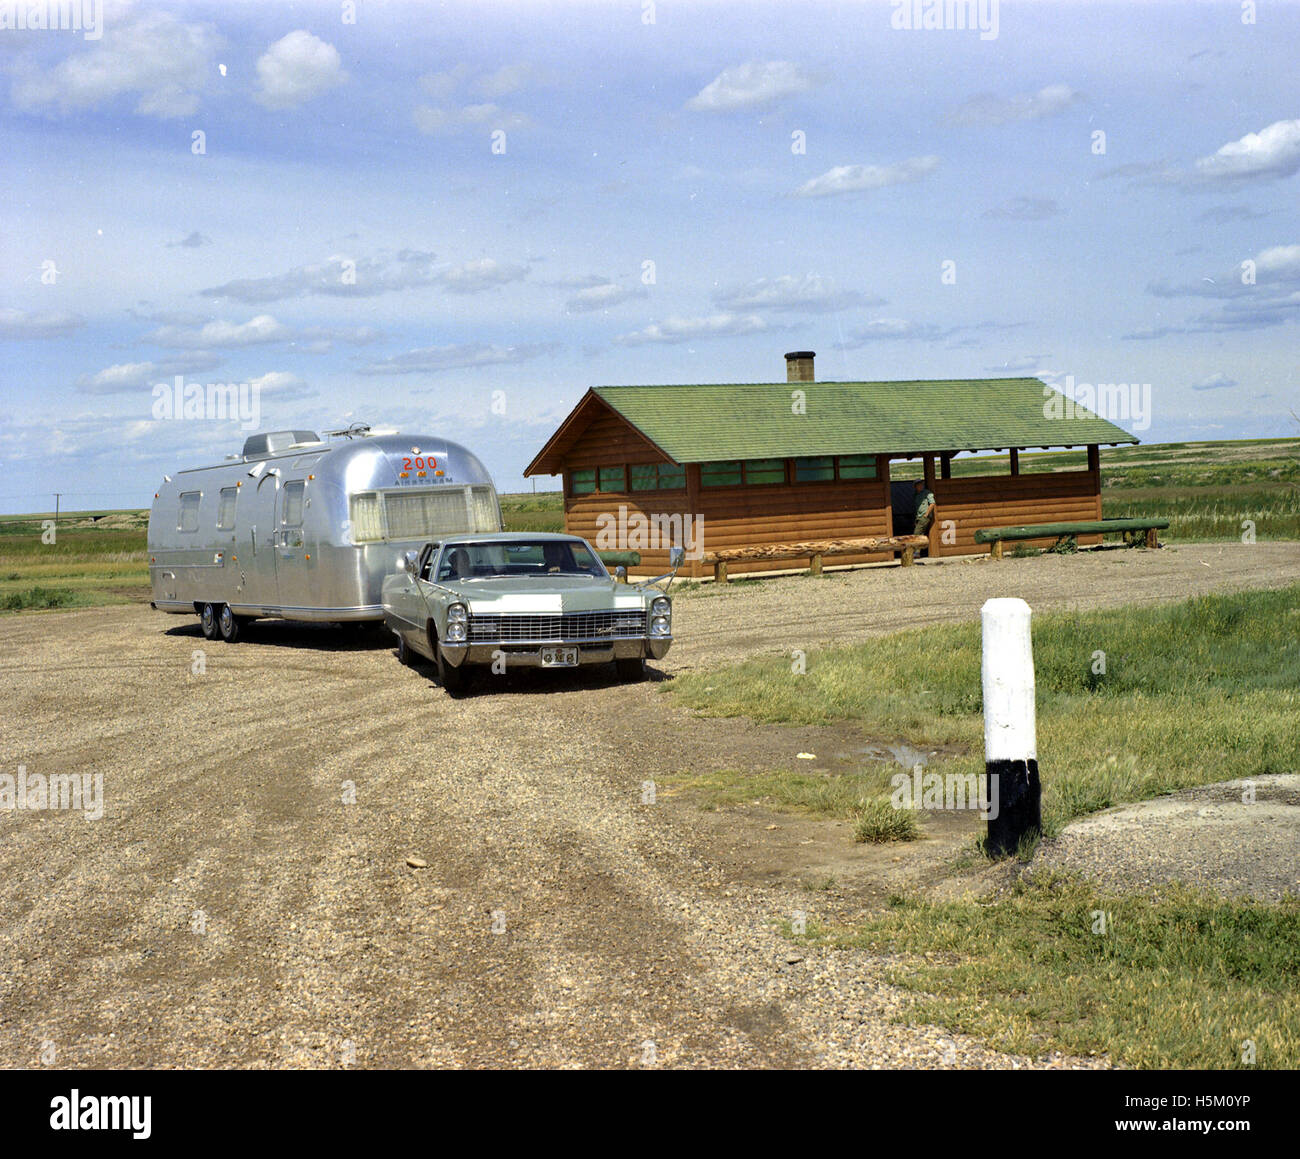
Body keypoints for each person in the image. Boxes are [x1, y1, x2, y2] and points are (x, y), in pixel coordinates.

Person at [912, 479, 935, 555]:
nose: (921, 486)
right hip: (918, 516)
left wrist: (926, 514)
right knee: (920, 534)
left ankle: (916, 551)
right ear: (915, 486)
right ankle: (917, 552)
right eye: (919, 485)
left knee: (917, 533)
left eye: (921, 484)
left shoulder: (927, 493)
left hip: (923, 517)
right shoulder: (916, 494)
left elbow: (932, 503)